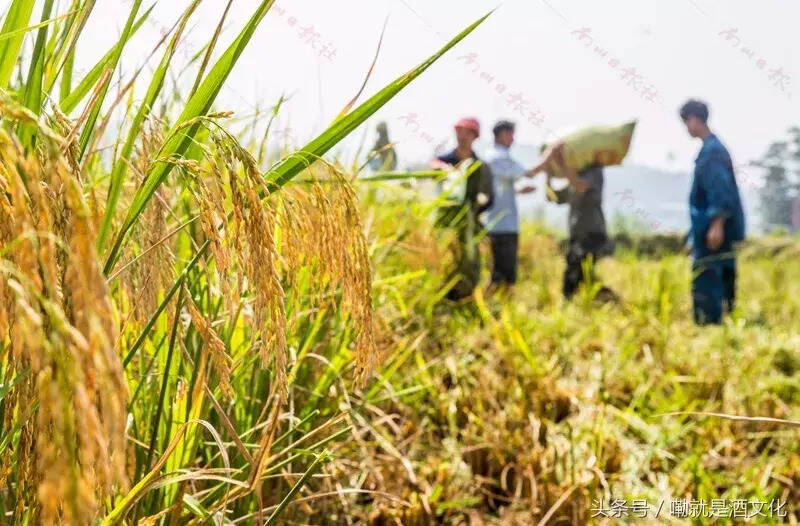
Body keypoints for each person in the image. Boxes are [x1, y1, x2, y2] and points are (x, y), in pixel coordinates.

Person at [679, 99, 745, 324]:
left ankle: (711, 324)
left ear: (695, 120)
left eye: (686, 121)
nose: (686, 127)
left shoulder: (712, 152)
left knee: (709, 276)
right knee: (722, 272)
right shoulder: (711, 149)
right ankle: (725, 319)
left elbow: (719, 189)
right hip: (708, 228)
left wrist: (717, 224)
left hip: (714, 229)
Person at [431, 117, 494, 300]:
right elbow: (433, 167)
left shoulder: (480, 166)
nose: (462, 136)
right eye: (459, 132)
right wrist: (443, 170)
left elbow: (489, 196)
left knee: (469, 260)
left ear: (475, 136)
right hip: (445, 221)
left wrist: (478, 206)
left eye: (467, 133)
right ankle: (441, 297)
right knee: (444, 259)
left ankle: (467, 297)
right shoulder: (444, 161)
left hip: (470, 222)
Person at [543, 143, 616, 300]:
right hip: (577, 233)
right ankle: (608, 300)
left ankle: (572, 305)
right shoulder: (573, 178)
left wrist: (562, 164)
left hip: (592, 232)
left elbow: (581, 187)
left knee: (574, 274)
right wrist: (548, 173)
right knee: (582, 277)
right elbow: (552, 197)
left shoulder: (594, 171)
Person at [483, 120, 537, 285]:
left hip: (498, 223)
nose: (513, 139)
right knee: (503, 276)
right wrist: (550, 156)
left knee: (500, 273)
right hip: (502, 225)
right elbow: (529, 173)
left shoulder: (493, 157)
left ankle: (496, 307)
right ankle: (496, 308)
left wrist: (518, 191)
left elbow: (496, 189)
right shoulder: (498, 157)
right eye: (511, 134)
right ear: (502, 134)